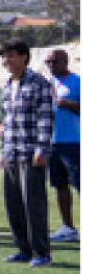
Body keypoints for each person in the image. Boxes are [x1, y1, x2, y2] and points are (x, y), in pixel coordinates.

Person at [0, 39, 54, 267]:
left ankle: (41, 253)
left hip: (31, 153)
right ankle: (23, 249)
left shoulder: (38, 83)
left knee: (34, 204)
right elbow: (5, 122)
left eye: (11, 55)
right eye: (4, 56)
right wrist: (2, 151)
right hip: (11, 152)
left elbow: (46, 118)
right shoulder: (6, 86)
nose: (6, 60)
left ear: (24, 57)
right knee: (13, 204)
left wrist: (41, 149)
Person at [45, 48, 80, 242]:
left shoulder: (78, 82)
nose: (50, 65)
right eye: (48, 62)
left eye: (54, 61)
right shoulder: (47, 83)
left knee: (81, 185)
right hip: (53, 143)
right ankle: (68, 227)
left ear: (65, 62)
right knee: (60, 186)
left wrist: (72, 105)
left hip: (75, 142)